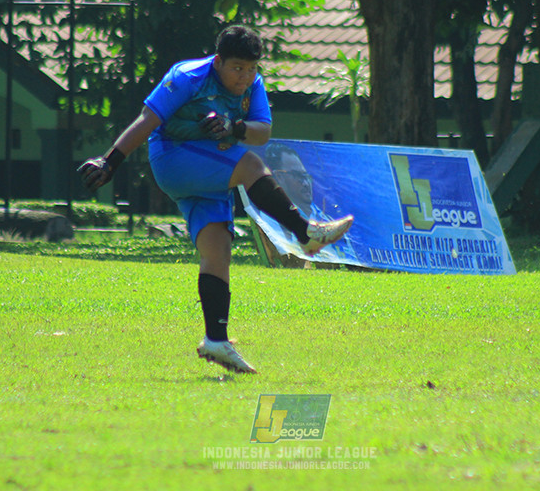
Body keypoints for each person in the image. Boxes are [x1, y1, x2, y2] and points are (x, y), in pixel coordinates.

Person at [78, 26, 353, 374]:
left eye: (251, 68)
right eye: (237, 67)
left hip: (211, 164)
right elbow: (148, 121)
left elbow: (262, 131)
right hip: (173, 158)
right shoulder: (188, 76)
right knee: (251, 165)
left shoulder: (253, 84)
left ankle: (216, 340)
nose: (245, 77)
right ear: (219, 61)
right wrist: (110, 160)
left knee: (217, 250)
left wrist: (234, 126)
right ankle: (305, 232)